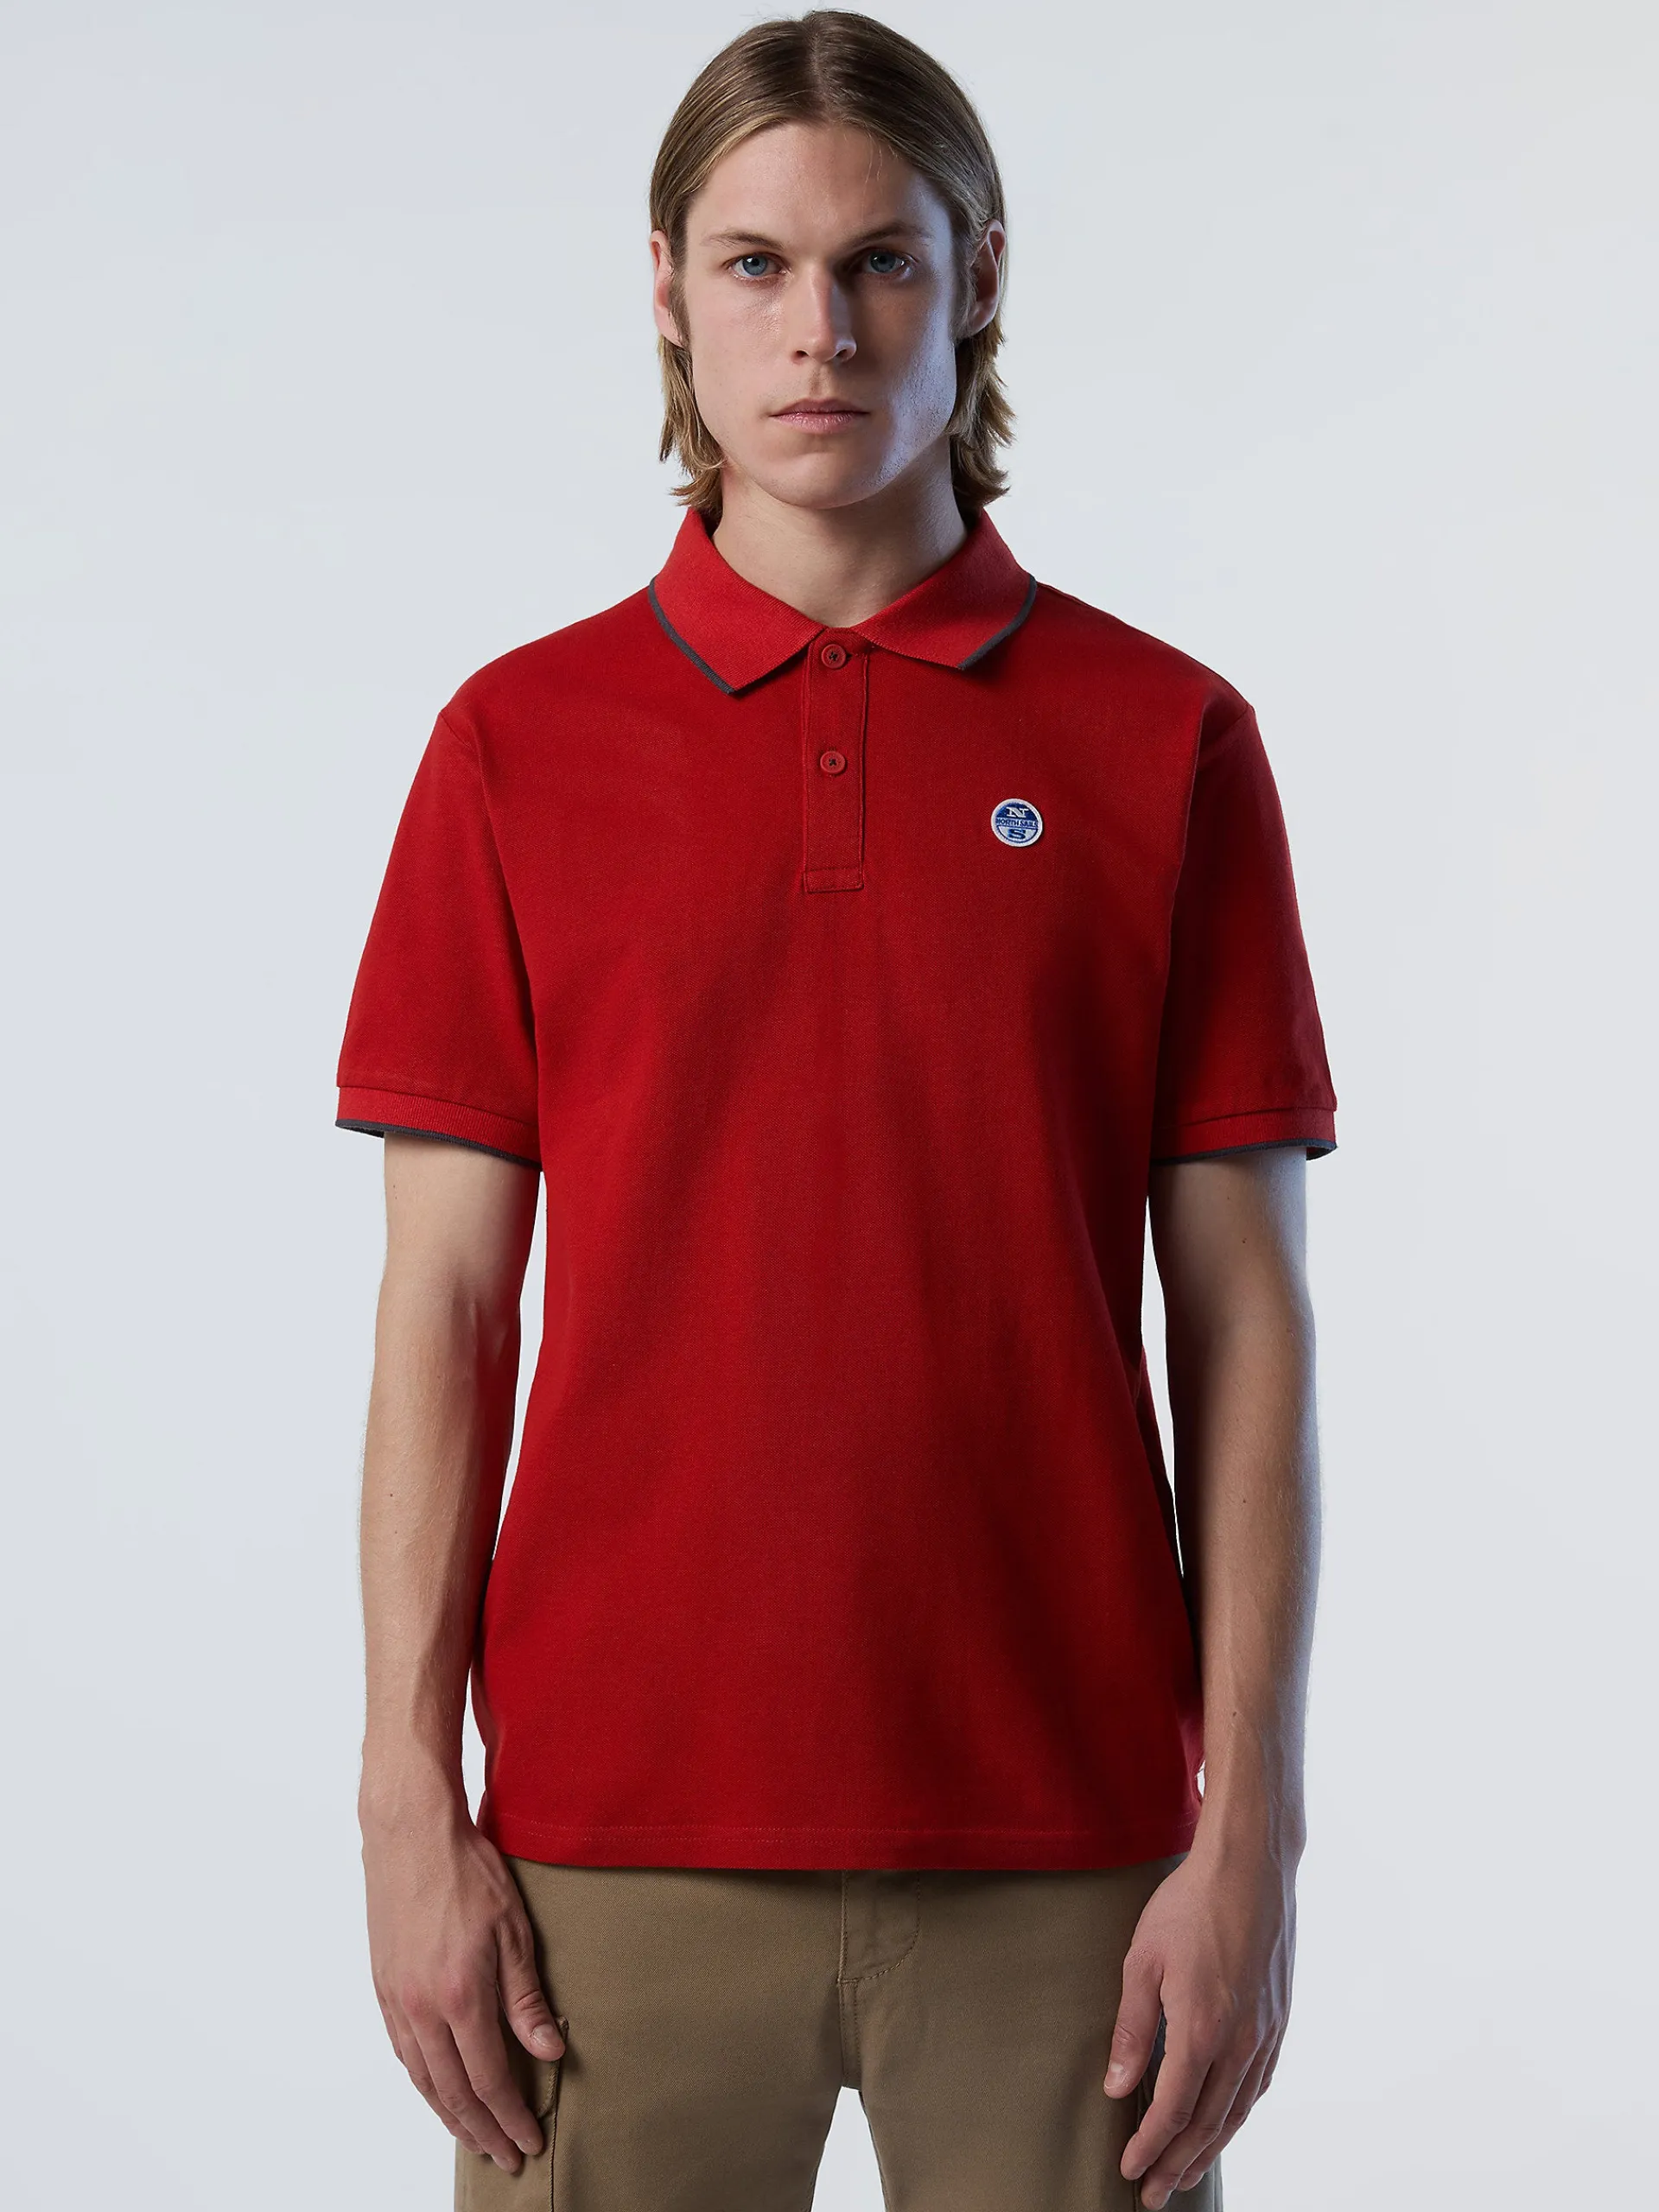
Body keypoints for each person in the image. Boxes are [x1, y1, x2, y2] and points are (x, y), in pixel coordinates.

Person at [334, 12, 1337, 2209]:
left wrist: (1252, 1828)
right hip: (604, 1849)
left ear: (978, 279)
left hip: (1072, 1845)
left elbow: (1245, 1318)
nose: (822, 329)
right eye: (758, 263)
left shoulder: (1167, 738)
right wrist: (409, 1799)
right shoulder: (514, 745)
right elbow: (445, 1311)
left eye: (883, 259)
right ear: (667, 290)